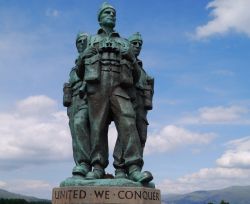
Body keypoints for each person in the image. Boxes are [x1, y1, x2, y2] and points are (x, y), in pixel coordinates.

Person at [76, 2, 152, 183]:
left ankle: (132, 167)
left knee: (128, 124)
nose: (111, 15)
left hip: (120, 88)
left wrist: (131, 58)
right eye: (107, 12)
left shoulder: (124, 42)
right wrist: (85, 54)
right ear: (100, 18)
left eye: (113, 13)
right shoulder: (92, 40)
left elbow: (135, 74)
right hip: (97, 87)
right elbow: (80, 72)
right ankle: (98, 167)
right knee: (97, 128)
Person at [113, 32, 154, 179]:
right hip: (127, 101)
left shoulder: (142, 69)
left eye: (139, 44)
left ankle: (134, 170)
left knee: (141, 136)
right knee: (126, 134)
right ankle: (120, 168)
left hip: (142, 107)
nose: (137, 46)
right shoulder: (124, 62)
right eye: (134, 43)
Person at [63, 32, 91, 177]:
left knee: (81, 125)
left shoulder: (91, 60)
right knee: (76, 136)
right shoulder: (74, 67)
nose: (81, 43)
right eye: (78, 42)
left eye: (84, 41)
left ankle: (86, 163)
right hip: (73, 102)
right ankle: (80, 166)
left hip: (87, 99)